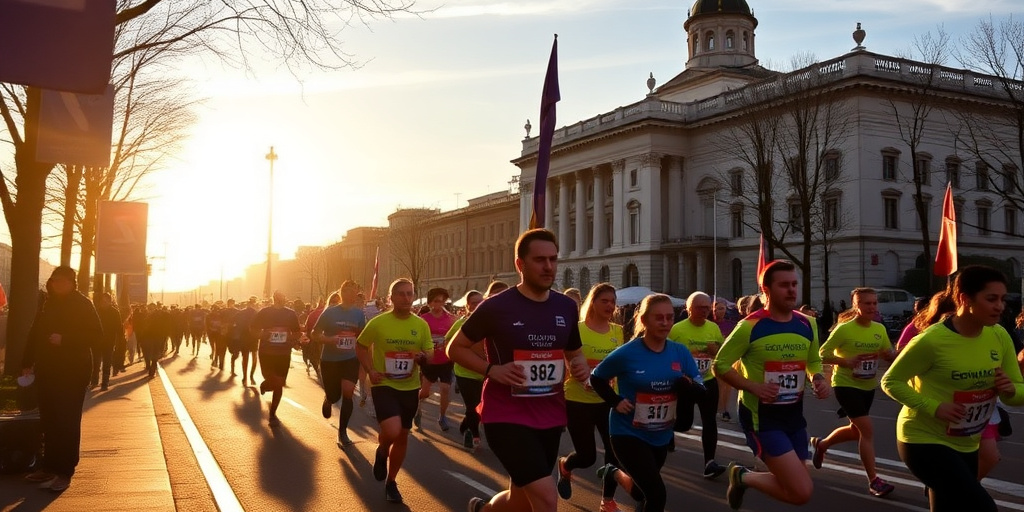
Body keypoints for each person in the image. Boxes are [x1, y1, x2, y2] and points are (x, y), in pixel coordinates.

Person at [448, 228, 590, 512]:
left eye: (553, 259)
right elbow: (455, 348)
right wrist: (492, 370)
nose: (548, 266)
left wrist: (580, 365)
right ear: (520, 264)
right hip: (506, 415)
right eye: (540, 260)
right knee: (547, 498)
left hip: (549, 414)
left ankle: (485, 510)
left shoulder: (565, 306)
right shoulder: (496, 307)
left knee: (522, 499)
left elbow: (573, 349)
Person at [881, 265, 1024, 512]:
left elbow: (1017, 393)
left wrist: (1010, 389)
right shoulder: (931, 341)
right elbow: (890, 381)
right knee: (982, 507)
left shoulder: (999, 336)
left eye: (1002, 299)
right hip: (923, 439)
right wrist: (935, 407)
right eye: (991, 299)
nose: (1000, 306)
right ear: (964, 299)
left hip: (967, 441)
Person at [712, 260, 831, 510]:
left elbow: (812, 360)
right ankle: (744, 477)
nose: (791, 290)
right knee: (801, 492)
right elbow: (720, 365)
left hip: (794, 415)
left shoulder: (806, 323)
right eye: (784, 285)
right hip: (761, 418)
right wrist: (752, 387)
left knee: (794, 484)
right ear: (766, 290)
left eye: (794, 284)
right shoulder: (749, 327)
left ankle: (741, 477)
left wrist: (818, 378)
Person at [588, 293, 702, 512]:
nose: (666, 323)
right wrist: (615, 401)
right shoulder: (627, 353)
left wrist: (688, 388)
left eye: (670, 317)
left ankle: (614, 473)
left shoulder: (680, 352)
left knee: (641, 491)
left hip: (661, 434)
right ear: (643, 320)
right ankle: (617, 473)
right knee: (657, 494)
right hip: (627, 432)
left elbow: (700, 387)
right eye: (659, 318)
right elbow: (597, 377)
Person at [21, 266, 103, 492]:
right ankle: (49, 466)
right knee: (49, 420)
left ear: (72, 283)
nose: (58, 285)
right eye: (55, 281)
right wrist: (26, 362)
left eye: (62, 281)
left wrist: (65, 339)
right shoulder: (47, 303)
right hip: (48, 371)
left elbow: (96, 336)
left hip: (72, 372)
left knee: (66, 422)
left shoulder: (83, 304)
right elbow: (35, 332)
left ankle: (65, 471)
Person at [812, 287, 896, 496]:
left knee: (856, 430)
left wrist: (891, 355)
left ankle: (822, 444)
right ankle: (874, 480)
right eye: (867, 303)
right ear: (856, 306)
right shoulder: (844, 329)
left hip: (868, 386)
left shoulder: (879, 328)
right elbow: (821, 354)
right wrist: (845, 361)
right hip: (845, 385)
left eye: (875, 303)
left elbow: (887, 353)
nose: (872, 307)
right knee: (867, 431)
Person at [356, 278, 433, 504]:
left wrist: (422, 357)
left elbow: (429, 352)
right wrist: (370, 370)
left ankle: (391, 481)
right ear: (391, 298)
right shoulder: (379, 323)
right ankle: (382, 450)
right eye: (401, 294)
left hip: (410, 387)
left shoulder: (420, 325)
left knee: (402, 436)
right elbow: (360, 346)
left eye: (410, 294)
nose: (406, 298)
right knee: (392, 430)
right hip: (384, 384)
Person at [555, 283, 625, 512]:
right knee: (587, 456)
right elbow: (564, 358)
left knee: (614, 452)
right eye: (604, 301)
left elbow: (621, 365)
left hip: (607, 401)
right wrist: (574, 367)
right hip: (578, 400)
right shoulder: (577, 329)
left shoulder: (617, 331)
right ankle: (566, 465)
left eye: (612, 302)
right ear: (592, 303)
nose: (609, 305)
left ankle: (607, 501)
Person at [668, 291, 728, 478]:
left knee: (710, 421)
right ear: (689, 309)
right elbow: (666, 354)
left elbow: (722, 354)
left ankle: (709, 463)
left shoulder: (713, 328)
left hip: (707, 382)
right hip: (685, 383)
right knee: (684, 424)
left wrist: (715, 350)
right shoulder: (676, 329)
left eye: (706, 308)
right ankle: (665, 430)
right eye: (699, 308)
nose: (704, 311)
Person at [313, 281, 366, 447]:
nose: (350, 295)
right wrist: (329, 340)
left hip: (350, 359)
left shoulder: (359, 314)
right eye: (347, 292)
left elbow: (362, 336)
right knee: (335, 395)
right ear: (342, 293)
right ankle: (328, 399)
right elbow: (314, 334)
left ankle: (342, 432)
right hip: (330, 360)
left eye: (353, 292)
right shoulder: (329, 313)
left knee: (348, 392)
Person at [446, 287, 492, 451]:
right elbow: (448, 343)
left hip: (485, 373)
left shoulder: (492, 323)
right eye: (474, 303)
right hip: (464, 372)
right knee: (473, 406)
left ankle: (466, 423)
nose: (478, 305)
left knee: (481, 406)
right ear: (467, 306)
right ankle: (473, 434)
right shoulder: (461, 324)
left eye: (481, 302)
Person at [252, 291, 304, 427]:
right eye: (277, 298)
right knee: (270, 378)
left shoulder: (290, 314)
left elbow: (297, 332)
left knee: (279, 383)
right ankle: (265, 384)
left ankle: (273, 413)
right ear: (273, 299)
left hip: (283, 353)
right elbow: (253, 329)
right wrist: (264, 334)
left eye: (282, 298)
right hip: (266, 352)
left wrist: (289, 337)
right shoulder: (264, 312)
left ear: (285, 299)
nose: (280, 300)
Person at [415, 287, 457, 432]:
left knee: (445, 389)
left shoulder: (451, 318)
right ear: (430, 303)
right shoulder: (423, 320)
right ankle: (417, 407)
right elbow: (418, 339)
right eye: (437, 301)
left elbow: (454, 337)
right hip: (430, 361)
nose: (440, 304)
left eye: (442, 301)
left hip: (445, 360)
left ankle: (442, 416)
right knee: (425, 392)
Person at [714, 299, 738, 423]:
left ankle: (724, 409)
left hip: (728, 358)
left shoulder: (731, 325)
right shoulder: (711, 325)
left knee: (727, 386)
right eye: (718, 309)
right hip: (713, 359)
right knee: (719, 386)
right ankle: (719, 409)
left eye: (722, 309)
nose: (720, 311)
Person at [93, 292, 123, 391]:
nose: (104, 302)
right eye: (103, 300)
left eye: (107, 300)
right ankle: (94, 381)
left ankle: (105, 383)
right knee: (96, 363)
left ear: (110, 301)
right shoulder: (97, 311)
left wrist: (120, 341)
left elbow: (119, 328)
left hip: (109, 342)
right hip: (97, 342)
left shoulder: (114, 312)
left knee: (107, 362)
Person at [231, 297, 259, 386]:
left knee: (246, 358)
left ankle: (246, 377)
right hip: (252, 337)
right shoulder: (256, 313)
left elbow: (233, 323)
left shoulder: (241, 313)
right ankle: (250, 377)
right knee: (253, 357)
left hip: (246, 337)